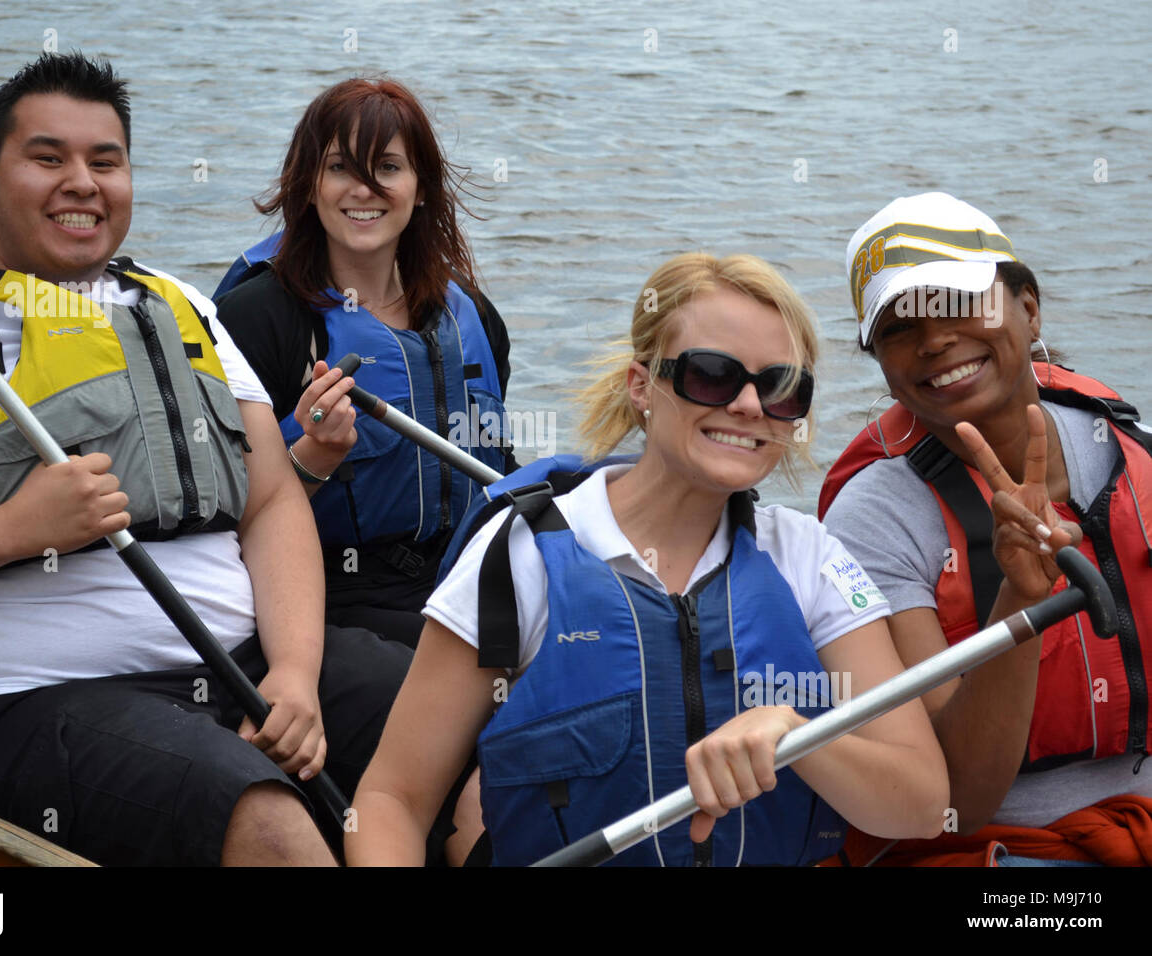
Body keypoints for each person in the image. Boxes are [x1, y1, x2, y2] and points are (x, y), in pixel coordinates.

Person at [0, 52, 412, 866]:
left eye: (103, 162)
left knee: (463, 719)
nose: (82, 182)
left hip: (236, 668)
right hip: (9, 702)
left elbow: (274, 502)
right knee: (263, 818)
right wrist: (11, 530)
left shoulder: (180, 308)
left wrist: (293, 673)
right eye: (48, 158)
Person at [345, 252, 951, 866]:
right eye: (713, 374)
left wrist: (800, 738)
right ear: (643, 387)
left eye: (780, 387)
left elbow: (923, 804)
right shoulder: (518, 556)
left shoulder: (809, 559)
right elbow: (393, 799)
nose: (747, 405)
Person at [820, 191, 1152, 866]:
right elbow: (956, 802)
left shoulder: (1136, 450)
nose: (935, 339)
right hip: (995, 850)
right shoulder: (873, 517)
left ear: (1029, 308)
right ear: (882, 366)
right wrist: (1021, 603)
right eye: (898, 329)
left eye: (959, 302)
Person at [214, 77, 516, 650]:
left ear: (420, 187)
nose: (365, 189)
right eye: (339, 168)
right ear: (307, 184)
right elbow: (220, 519)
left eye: (388, 167)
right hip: (327, 596)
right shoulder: (256, 318)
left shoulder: (471, 313)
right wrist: (311, 456)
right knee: (488, 679)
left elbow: (498, 463)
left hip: (463, 578)